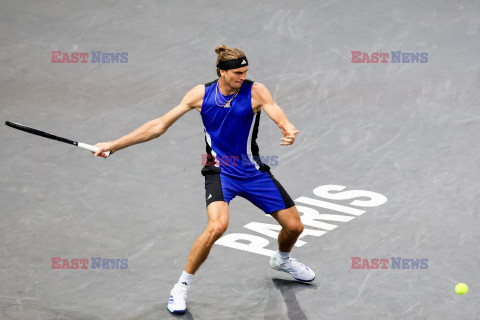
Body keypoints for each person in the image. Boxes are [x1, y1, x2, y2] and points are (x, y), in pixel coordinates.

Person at [93, 45, 315, 314]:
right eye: (236, 73)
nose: (242, 77)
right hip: (219, 170)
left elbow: (275, 111)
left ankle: (282, 260)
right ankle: (181, 286)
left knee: (295, 227)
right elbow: (159, 125)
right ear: (221, 72)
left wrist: (287, 127)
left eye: (245, 72)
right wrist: (114, 145)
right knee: (217, 227)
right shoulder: (201, 95)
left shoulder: (256, 91)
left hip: (252, 171)